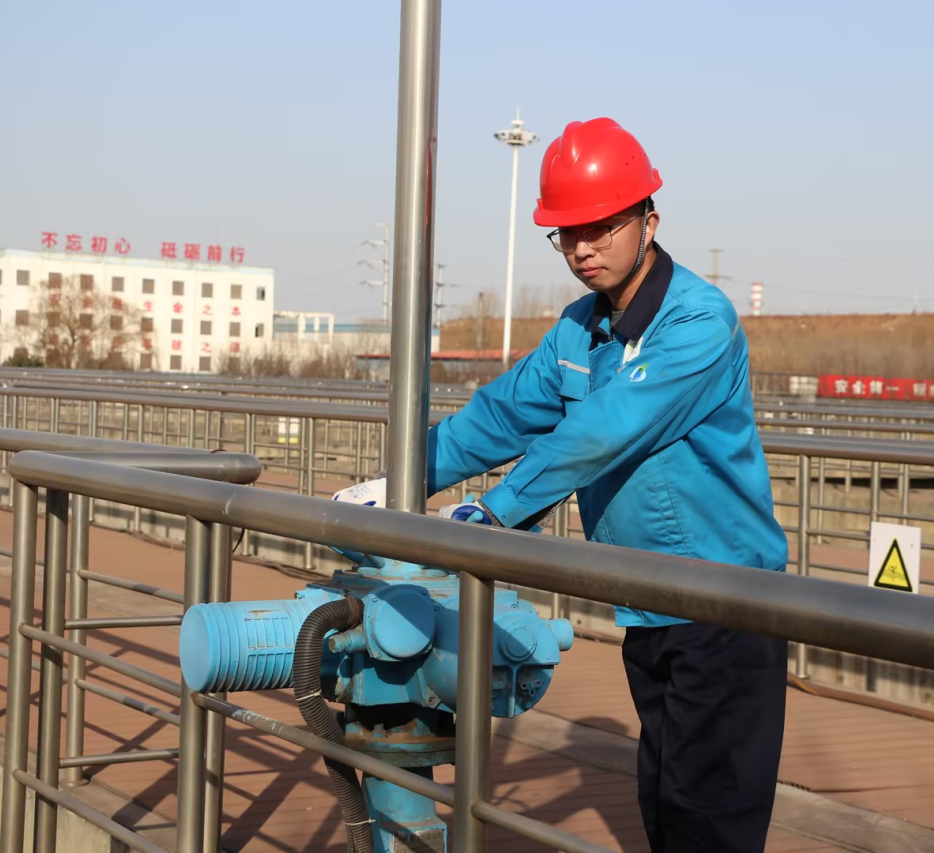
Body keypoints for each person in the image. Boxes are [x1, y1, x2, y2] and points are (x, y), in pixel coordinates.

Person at [337, 117, 788, 852]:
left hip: (726, 601)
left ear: (649, 220)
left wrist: (493, 513)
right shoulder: (581, 329)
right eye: (567, 233)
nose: (583, 248)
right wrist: (398, 482)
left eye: (601, 227)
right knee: (665, 798)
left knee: (709, 812)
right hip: (650, 598)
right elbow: (501, 416)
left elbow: (604, 430)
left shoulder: (698, 321)